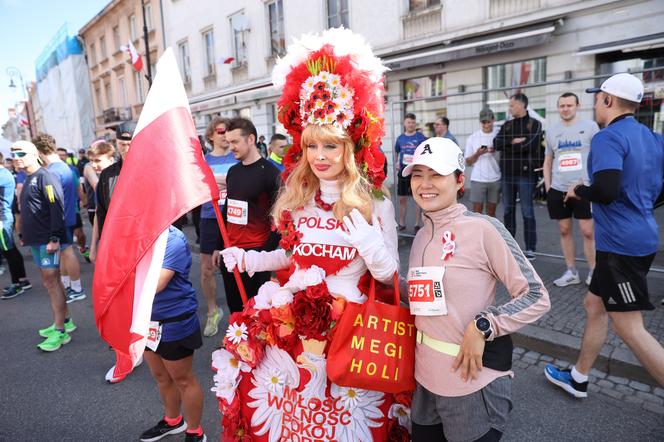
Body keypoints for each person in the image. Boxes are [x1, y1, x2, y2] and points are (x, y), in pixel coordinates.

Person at [215, 28, 400, 439]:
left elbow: (388, 276)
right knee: (294, 422)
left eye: (330, 147)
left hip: (350, 334)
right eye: (312, 146)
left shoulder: (375, 202)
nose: (319, 157)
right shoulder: (298, 199)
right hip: (293, 326)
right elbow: (292, 258)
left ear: (350, 148)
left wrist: (368, 241)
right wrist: (249, 260)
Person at [403, 137, 550, 441]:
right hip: (424, 380)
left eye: (436, 174)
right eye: (418, 174)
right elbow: (424, 298)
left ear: (459, 180)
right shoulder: (420, 235)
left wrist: (483, 325)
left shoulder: (484, 229)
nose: (425, 184)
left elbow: (536, 296)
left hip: (470, 382)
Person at [545, 73, 664, 395]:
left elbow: (607, 190)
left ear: (609, 100)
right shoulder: (653, 138)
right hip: (639, 236)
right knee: (593, 305)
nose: (596, 102)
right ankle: (579, 377)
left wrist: (579, 189)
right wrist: (637, 204)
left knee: (630, 328)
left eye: (599, 97)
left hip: (620, 247)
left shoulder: (607, 137)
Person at [139, 226, 206, 442]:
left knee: (183, 379)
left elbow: (157, 283)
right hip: (145, 318)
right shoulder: (136, 234)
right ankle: (173, 420)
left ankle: (195, 432)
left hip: (174, 319)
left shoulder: (173, 239)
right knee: (160, 376)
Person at [11, 141, 76, 352]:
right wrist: (24, 235)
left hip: (48, 241)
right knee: (50, 283)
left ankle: (60, 332)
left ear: (34, 154)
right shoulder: (29, 177)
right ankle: (65, 321)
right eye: (13, 153)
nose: (16, 156)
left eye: (20, 152)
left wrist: (55, 238)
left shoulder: (46, 176)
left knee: (52, 282)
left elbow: (56, 207)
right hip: (37, 239)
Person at [211, 118, 281, 313]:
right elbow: (228, 210)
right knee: (236, 310)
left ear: (251, 139)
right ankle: (236, 344)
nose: (230, 146)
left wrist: (263, 255)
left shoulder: (270, 173)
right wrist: (218, 246)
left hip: (255, 257)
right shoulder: (233, 172)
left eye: (235, 142)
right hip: (231, 254)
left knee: (256, 312)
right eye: (228, 141)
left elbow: (280, 222)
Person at [92, 122, 142, 383]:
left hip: (145, 245)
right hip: (117, 247)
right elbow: (101, 214)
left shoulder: (150, 170)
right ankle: (127, 349)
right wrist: (95, 246)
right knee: (121, 299)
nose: (126, 147)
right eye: (122, 143)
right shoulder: (108, 174)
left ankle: (147, 342)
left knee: (147, 296)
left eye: (131, 141)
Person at [544, 93, 599, 287]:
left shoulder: (591, 127)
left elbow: (598, 156)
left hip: (583, 188)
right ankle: (571, 271)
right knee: (564, 230)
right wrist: (549, 187)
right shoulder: (551, 131)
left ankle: (594, 271)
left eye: (569, 105)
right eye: (562, 106)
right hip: (558, 188)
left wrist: (592, 183)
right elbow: (548, 160)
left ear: (578, 106)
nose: (565, 109)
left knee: (587, 231)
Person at [32, 133, 85, 303]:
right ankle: (70, 286)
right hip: (66, 216)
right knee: (64, 254)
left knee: (67, 253)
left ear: (39, 152)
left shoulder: (53, 171)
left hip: (61, 219)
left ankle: (77, 288)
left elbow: (52, 200)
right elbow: (77, 190)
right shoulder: (64, 167)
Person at [198, 117, 237, 337]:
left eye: (229, 132)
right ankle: (213, 311)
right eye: (222, 131)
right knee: (206, 269)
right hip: (210, 217)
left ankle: (239, 315)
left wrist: (219, 181)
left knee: (233, 267)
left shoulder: (238, 156)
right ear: (211, 135)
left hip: (234, 217)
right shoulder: (203, 160)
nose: (226, 135)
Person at [494, 93, 543, 260]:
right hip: (507, 174)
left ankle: (530, 248)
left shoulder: (535, 124)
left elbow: (531, 145)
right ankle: (510, 246)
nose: (510, 108)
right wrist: (513, 142)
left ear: (522, 105)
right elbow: (496, 143)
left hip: (526, 175)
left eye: (512, 105)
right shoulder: (506, 125)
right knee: (508, 210)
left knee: (527, 211)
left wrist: (509, 145)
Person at [0, 152, 32, 299]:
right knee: (9, 249)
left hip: (2, 218)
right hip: (4, 217)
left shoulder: (2, 174)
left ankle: (17, 283)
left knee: (9, 250)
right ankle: (22, 280)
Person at [464, 108, 501, 217]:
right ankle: (478, 234)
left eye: (488, 122)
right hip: (478, 179)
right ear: (480, 122)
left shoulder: (499, 135)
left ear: (493, 120)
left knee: (491, 213)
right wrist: (478, 154)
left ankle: (489, 233)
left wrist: (496, 150)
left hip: (495, 178)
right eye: (483, 122)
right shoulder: (473, 138)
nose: (486, 125)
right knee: (477, 213)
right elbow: (468, 162)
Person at [396, 113, 427, 231]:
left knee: (417, 198)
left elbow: (425, 152)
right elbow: (396, 152)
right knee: (402, 198)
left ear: (415, 124)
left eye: (413, 122)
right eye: (409, 122)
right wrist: (396, 163)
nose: (411, 124)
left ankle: (417, 224)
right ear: (405, 123)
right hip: (403, 171)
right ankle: (402, 223)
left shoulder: (420, 137)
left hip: (416, 172)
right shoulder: (400, 138)